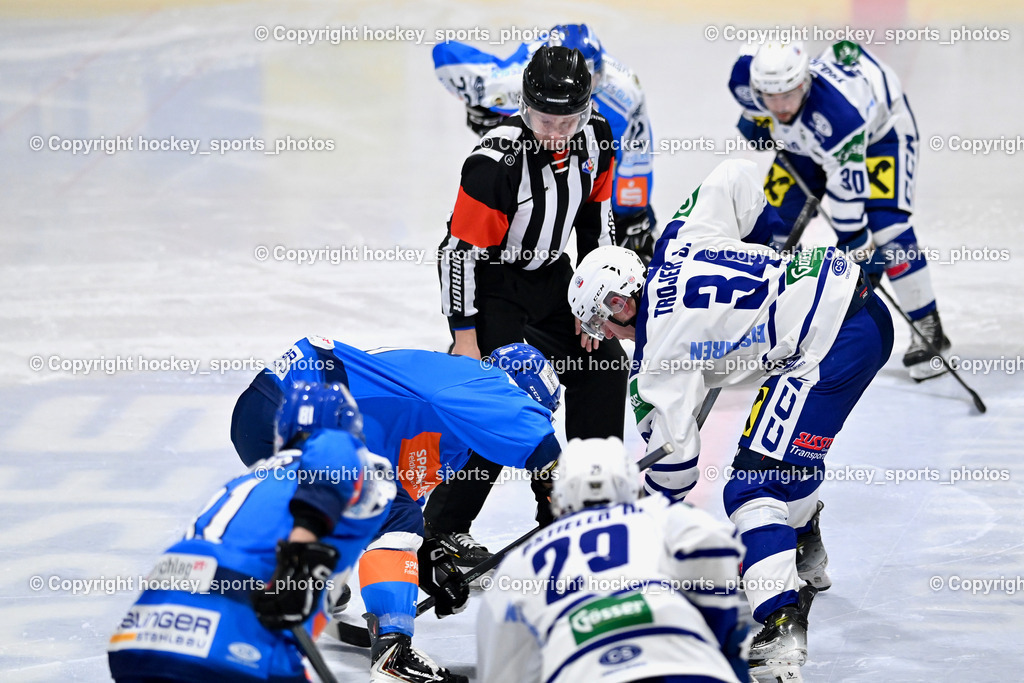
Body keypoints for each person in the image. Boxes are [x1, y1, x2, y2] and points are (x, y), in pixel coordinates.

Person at [568, 159, 894, 682]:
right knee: (783, 452)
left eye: (602, 324)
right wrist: (765, 253)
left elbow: (677, 470)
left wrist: (645, 509)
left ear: (616, 307)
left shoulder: (656, 361)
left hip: (825, 346)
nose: (609, 336)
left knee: (750, 486)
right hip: (865, 313)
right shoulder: (679, 238)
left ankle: (780, 626)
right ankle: (804, 546)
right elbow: (737, 178)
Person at [231, 336, 562, 683]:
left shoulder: (450, 429)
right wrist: (557, 485)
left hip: (269, 414)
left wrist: (426, 557)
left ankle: (302, 585)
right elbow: (528, 428)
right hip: (304, 402)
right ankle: (393, 654)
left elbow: (392, 503)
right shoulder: (482, 379)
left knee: (380, 508)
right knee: (392, 513)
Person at [431, 44, 629, 569]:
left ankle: (584, 504)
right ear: (524, 106)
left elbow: (593, 221)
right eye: (545, 119)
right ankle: (443, 528)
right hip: (496, 287)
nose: (557, 132)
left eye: (569, 119)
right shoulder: (494, 163)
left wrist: (598, 303)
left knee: (604, 364)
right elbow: (459, 253)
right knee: (511, 394)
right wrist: (465, 337)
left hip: (554, 280)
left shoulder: (597, 138)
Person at [108, 382, 396, 682]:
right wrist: (300, 560)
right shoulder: (339, 452)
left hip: (141, 637)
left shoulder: (248, 480)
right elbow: (333, 451)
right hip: (231, 642)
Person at [728, 40, 949, 380]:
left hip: (880, 137)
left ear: (805, 83)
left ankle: (928, 325)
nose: (780, 105)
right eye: (770, 97)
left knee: (888, 229)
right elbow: (758, 109)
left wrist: (857, 247)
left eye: (787, 94)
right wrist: (758, 118)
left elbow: (849, 203)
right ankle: (772, 327)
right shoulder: (745, 76)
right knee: (770, 225)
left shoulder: (840, 117)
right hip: (808, 140)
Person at [477, 437, 748, 683]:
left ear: (558, 497)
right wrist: (721, 641)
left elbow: (503, 671)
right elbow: (716, 548)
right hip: (689, 668)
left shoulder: (520, 563)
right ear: (632, 487)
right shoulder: (665, 516)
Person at [433, 23, 657, 262]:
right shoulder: (515, 81)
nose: (574, 96)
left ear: (600, 75)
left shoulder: (624, 91)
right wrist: (486, 107)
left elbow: (635, 150)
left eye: (590, 82)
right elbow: (448, 57)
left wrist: (630, 211)